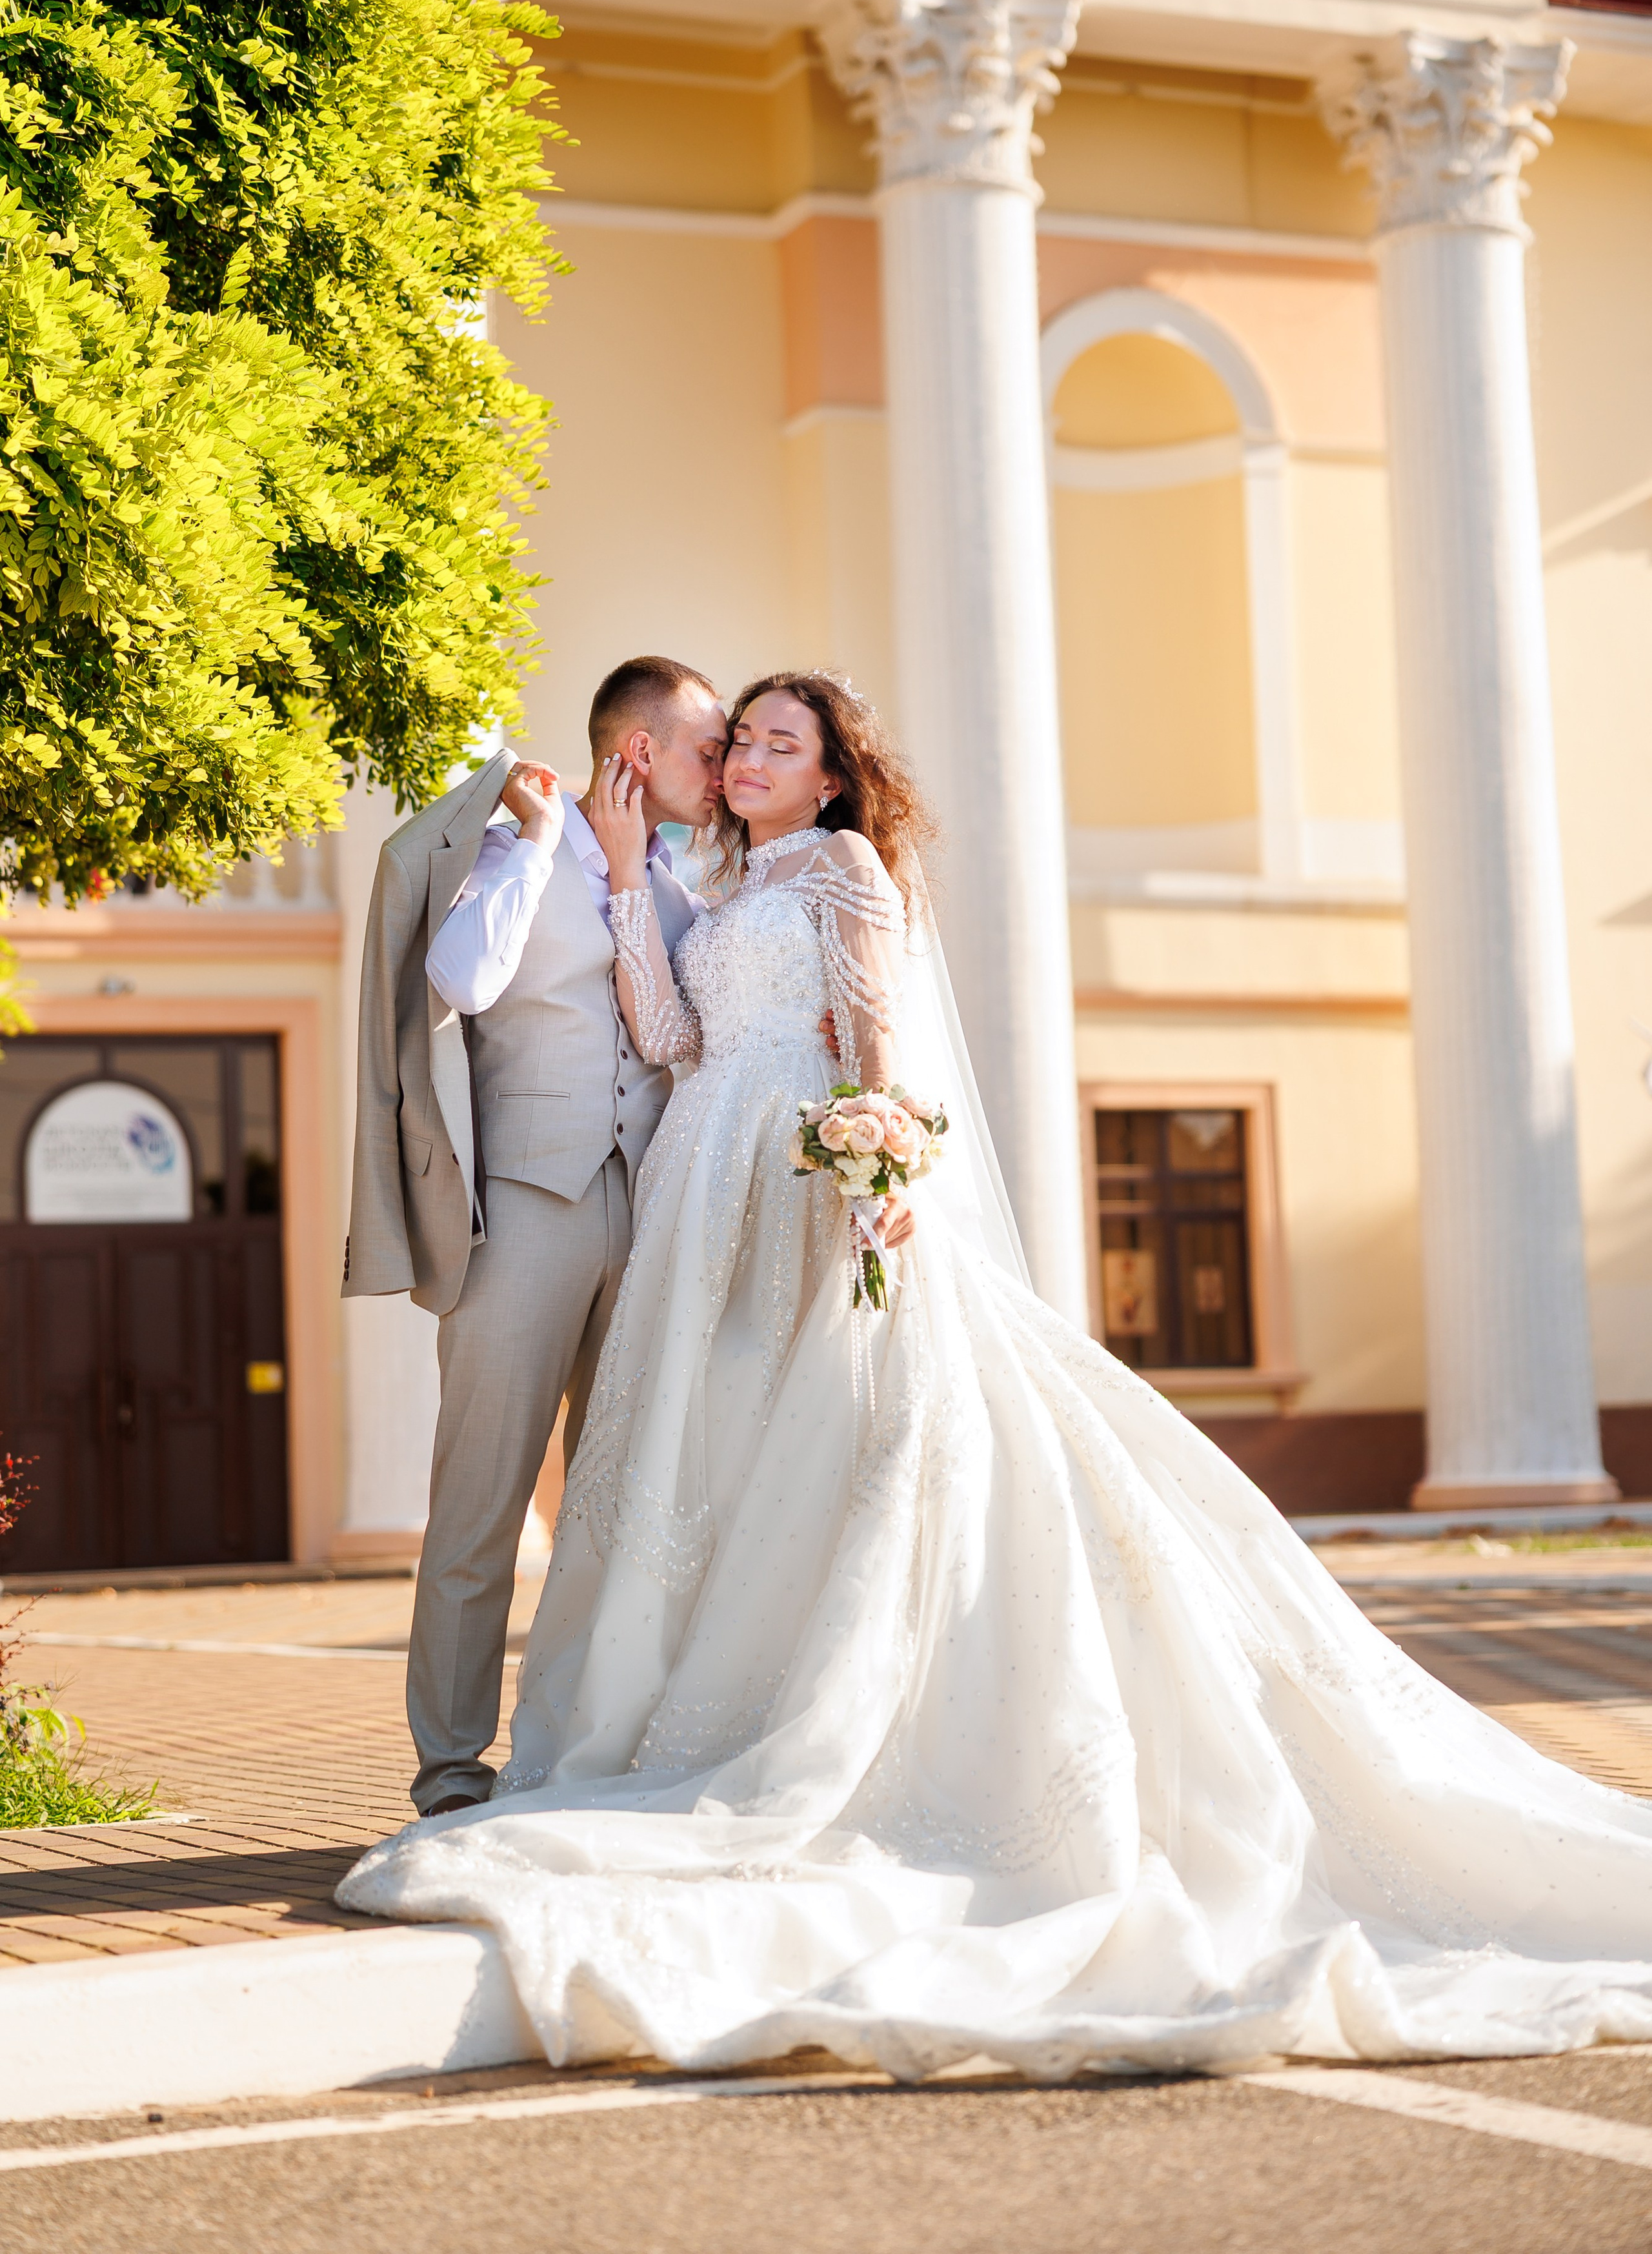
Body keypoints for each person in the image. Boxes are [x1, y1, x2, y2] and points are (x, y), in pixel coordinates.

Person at [342, 670, 1652, 2077]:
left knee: (854, 1451)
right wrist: (610, 880)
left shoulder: (843, 870)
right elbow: (668, 1041)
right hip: (697, 1199)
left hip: (799, 1185)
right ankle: (599, 1730)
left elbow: (878, 1043)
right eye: (738, 740)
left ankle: (854, 1735)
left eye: (776, 741)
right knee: (725, 1473)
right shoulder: (698, 887)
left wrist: (886, 1165)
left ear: (832, 777)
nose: (744, 757)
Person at [344, 656, 727, 1816]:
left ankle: (585, 1749)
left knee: (625, 1506)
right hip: (521, 1213)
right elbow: (459, 981)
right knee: (482, 1506)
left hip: (648, 1214)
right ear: (641, 752)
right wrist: (540, 832)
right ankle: (452, 1770)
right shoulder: (521, 850)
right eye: (708, 748)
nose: (723, 769)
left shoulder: (676, 886)